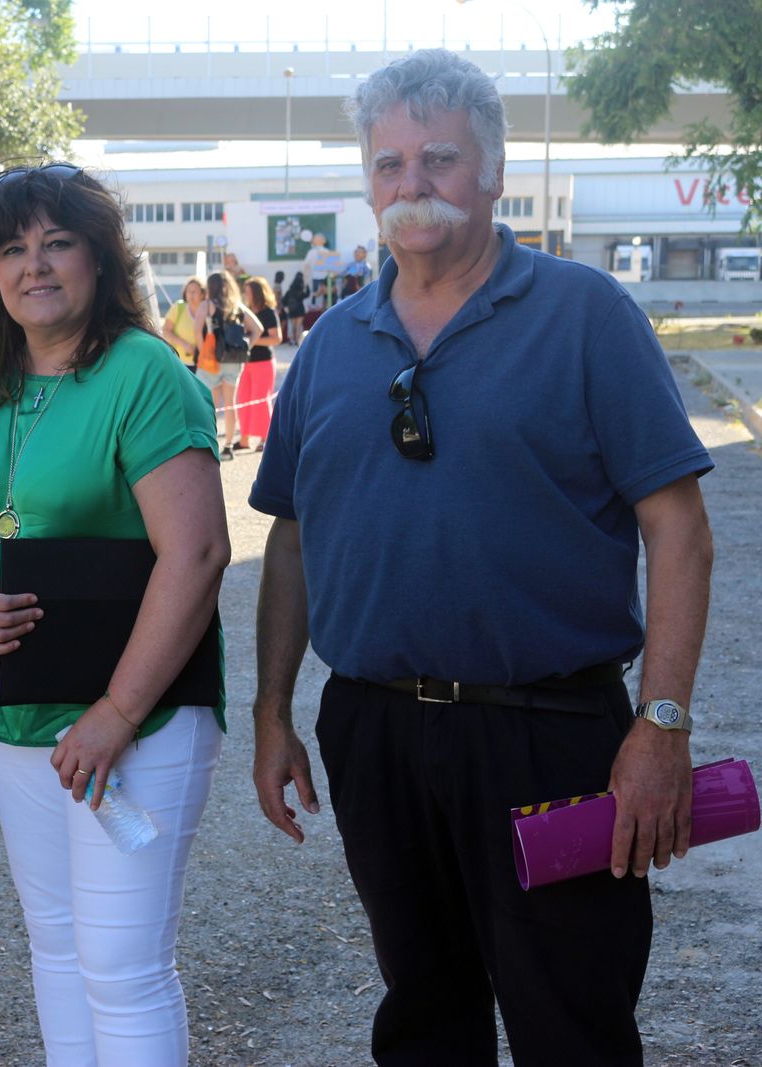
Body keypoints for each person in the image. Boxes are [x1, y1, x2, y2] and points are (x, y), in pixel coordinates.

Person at [248, 49, 714, 1066]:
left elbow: (676, 526)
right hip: (372, 730)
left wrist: (661, 723)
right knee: (422, 1012)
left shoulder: (586, 316)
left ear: (494, 171)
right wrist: (271, 708)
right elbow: (290, 530)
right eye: (388, 163)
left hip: (549, 732)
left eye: (439, 157)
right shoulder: (330, 343)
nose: (411, 183)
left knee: (572, 1016)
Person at [0, 163, 231, 1066]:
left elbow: (199, 552)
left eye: (57, 243)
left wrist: (116, 716)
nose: (34, 266)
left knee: (122, 963)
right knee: (56, 947)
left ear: (100, 257)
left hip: (139, 715)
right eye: (12, 248)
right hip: (17, 708)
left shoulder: (144, 373)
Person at [198, 270, 263, 447]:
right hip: (234, 360)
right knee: (230, 403)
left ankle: (211, 441)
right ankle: (227, 445)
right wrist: (246, 347)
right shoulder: (238, 307)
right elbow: (258, 328)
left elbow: (198, 333)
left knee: (210, 404)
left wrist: (202, 354)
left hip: (212, 360)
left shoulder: (207, 305)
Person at [233, 276, 281, 451]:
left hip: (263, 362)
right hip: (244, 361)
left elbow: (277, 338)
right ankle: (244, 439)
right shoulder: (243, 312)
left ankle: (264, 439)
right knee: (243, 399)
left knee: (261, 400)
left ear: (257, 292)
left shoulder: (268, 312)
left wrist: (251, 340)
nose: (245, 294)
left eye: (248, 291)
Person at [161, 274, 206, 366]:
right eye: (189, 291)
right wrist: (184, 344)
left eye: (195, 291)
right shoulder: (179, 308)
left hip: (202, 363)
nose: (191, 294)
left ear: (202, 294)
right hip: (179, 362)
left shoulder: (207, 310)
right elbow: (165, 331)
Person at [280, 271, 308, 346]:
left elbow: (283, 300)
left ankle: (292, 340)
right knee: (298, 326)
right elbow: (307, 295)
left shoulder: (290, 291)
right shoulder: (301, 291)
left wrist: (286, 307)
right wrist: (306, 285)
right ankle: (297, 340)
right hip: (300, 309)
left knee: (293, 326)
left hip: (292, 310)